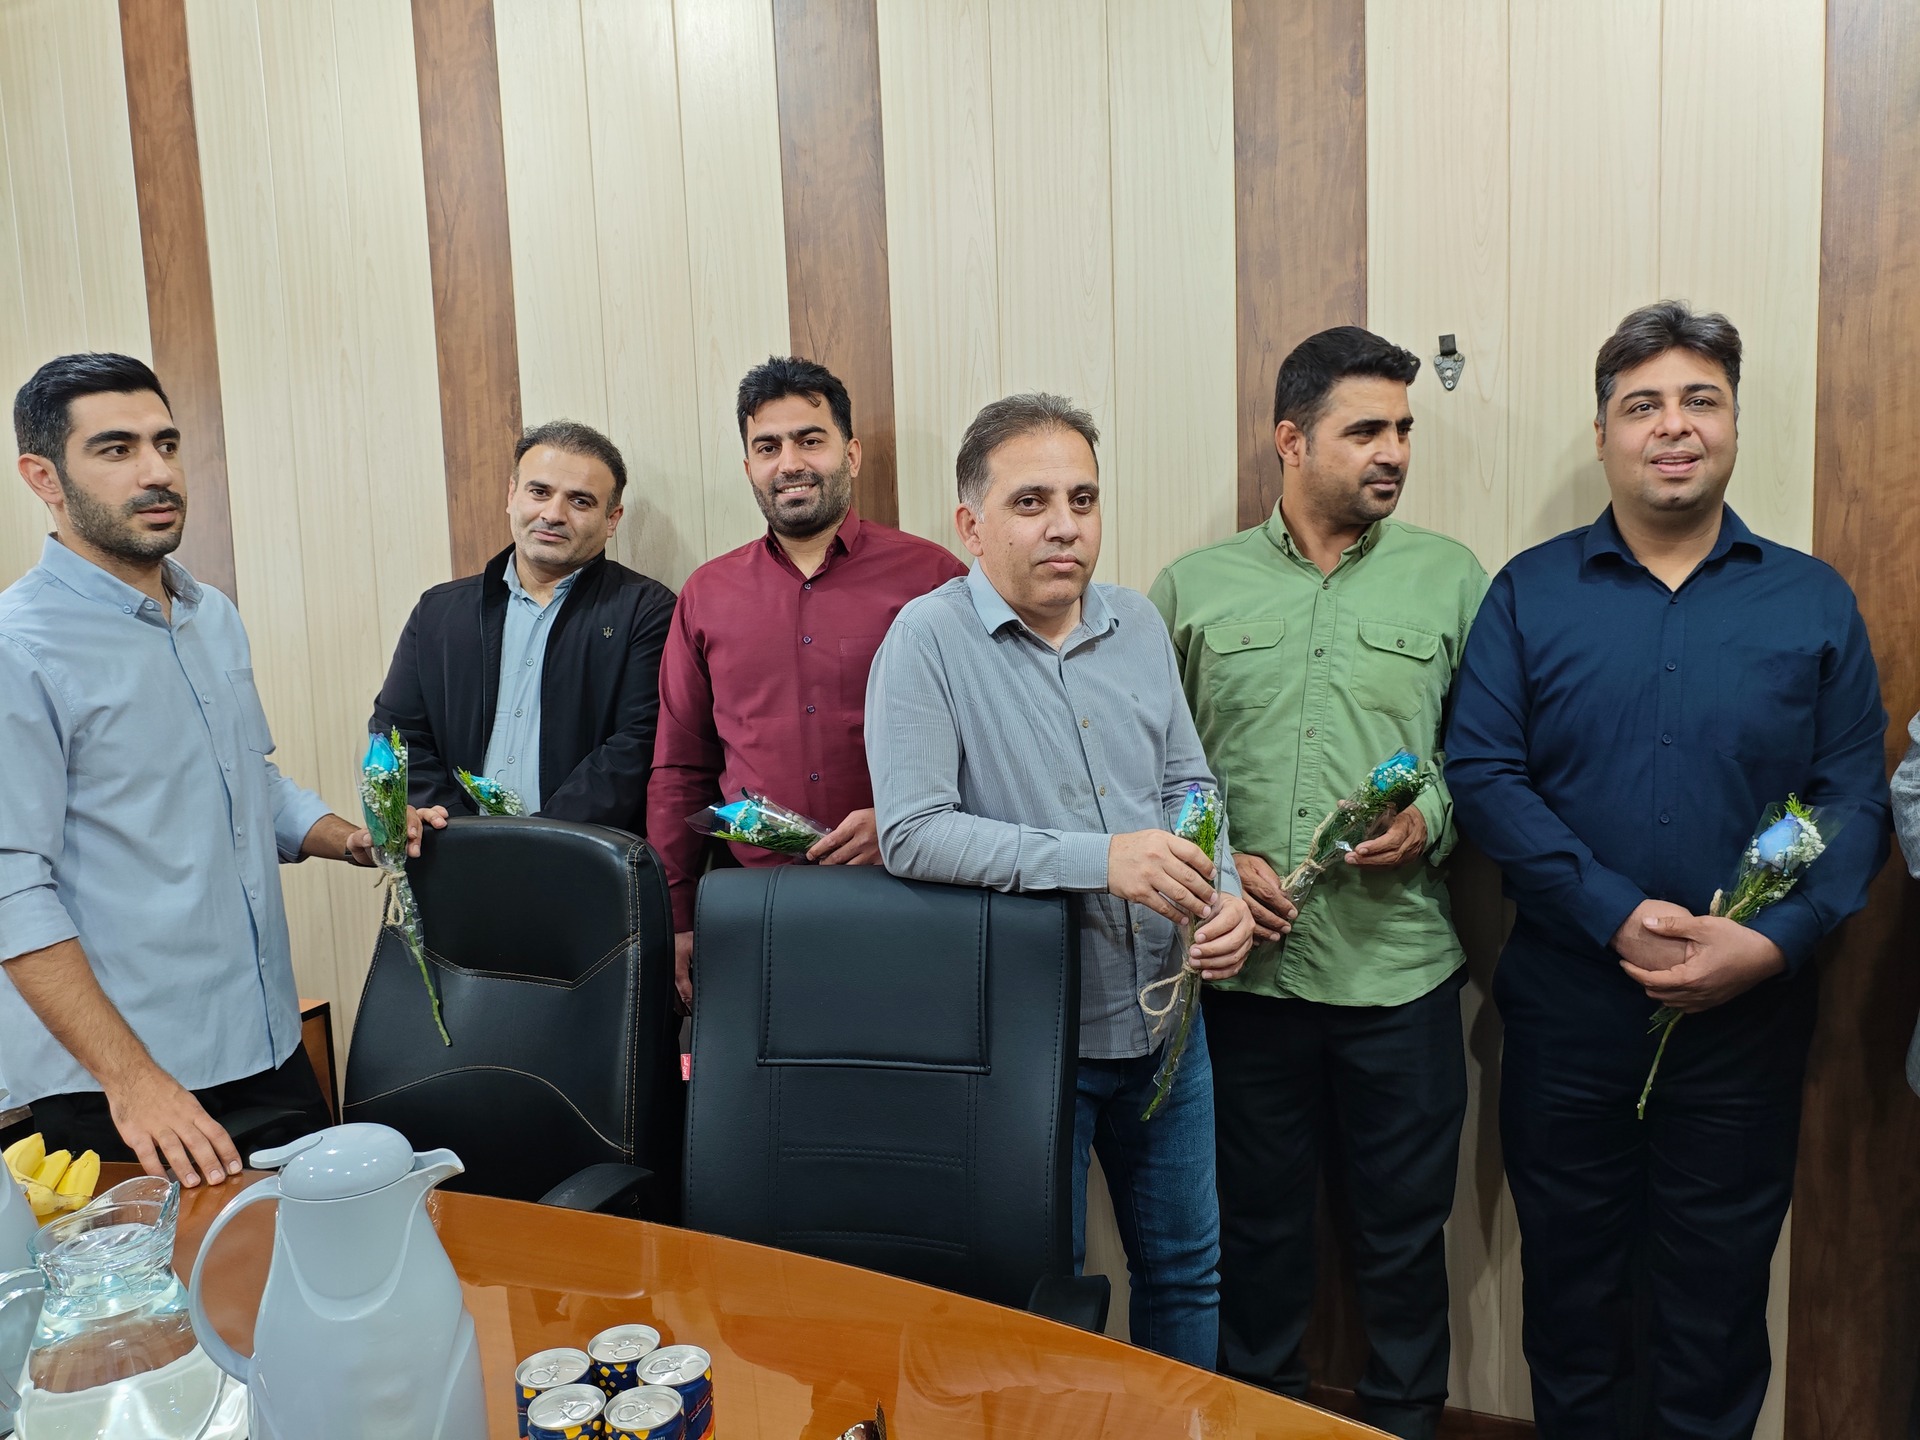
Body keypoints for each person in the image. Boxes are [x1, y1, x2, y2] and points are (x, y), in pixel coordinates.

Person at [1445, 302, 1889, 1438]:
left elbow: (1852, 799)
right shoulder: (1529, 593)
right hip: (1569, 1015)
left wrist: (1772, 943)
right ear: (1603, 435)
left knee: (1716, 1311)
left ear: (1735, 425)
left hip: (1747, 1025)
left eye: (1701, 400)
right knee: (1572, 1303)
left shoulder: (1812, 600)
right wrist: (1609, 912)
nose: (1674, 426)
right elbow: (1484, 774)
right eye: (1642, 405)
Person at [866, 391, 1255, 1368]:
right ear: (971, 526)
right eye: (1031, 501)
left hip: (1168, 1022)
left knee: (1188, 1273)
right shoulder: (925, 639)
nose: (1065, 525)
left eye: (1082, 499)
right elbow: (912, 834)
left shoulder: (1138, 624)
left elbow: (1189, 784)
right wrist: (1102, 860)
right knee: (1046, 1297)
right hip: (1029, 1038)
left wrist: (1225, 892)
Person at [1150, 327, 1486, 1437]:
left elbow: (1490, 755)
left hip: (1401, 977)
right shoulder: (1193, 588)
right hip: (1247, 983)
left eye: (1404, 430)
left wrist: (1432, 818)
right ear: (1290, 440)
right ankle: (1260, 1420)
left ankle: (1406, 1422)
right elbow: (1154, 771)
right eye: (1366, 430)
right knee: (1255, 1237)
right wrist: (1218, 857)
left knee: (1404, 1241)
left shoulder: (1452, 579)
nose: (1394, 451)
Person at [0, 353, 445, 1187]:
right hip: (125, 1088)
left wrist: (352, 840)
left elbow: (250, 783)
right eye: (117, 449)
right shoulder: (18, 647)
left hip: (264, 1042)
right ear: (43, 477)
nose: (158, 472)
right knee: (179, 1281)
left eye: (166, 444)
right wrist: (133, 1082)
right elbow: (11, 889)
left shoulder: (211, 615)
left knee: (319, 1253)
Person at [648, 356, 964, 1003]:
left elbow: (987, 742)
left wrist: (905, 820)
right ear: (748, 468)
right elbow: (680, 767)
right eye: (768, 447)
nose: (789, 462)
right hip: (755, 909)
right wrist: (675, 915)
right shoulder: (707, 595)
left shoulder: (933, 579)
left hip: (910, 894)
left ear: (851, 454)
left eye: (809, 440)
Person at [370, 420, 675, 829]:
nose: (553, 514)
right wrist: (459, 832)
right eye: (539, 492)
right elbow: (397, 732)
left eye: (580, 501)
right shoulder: (438, 611)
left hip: (583, 856)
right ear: (511, 495)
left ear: (612, 518)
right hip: (451, 849)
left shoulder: (647, 612)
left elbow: (637, 745)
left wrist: (538, 843)